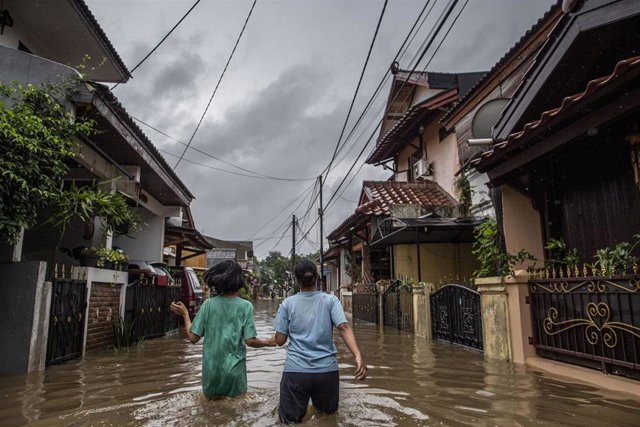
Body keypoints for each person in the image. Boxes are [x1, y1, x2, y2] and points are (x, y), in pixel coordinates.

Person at [274, 259, 367, 423]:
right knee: (328, 420)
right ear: (317, 277)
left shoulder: (287, 304)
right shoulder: (331, 300)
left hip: (295, 372)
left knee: (289, 423)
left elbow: (280, 340)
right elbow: (344, 327)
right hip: (327, 372)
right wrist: (358, 355)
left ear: (296, 280)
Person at [170, 260, 275, 399]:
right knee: (236, 413)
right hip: (234, 373)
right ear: (238, 281)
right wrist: (269, 342)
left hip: (211, 373)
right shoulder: (246, 306)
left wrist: (185, 314)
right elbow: (250, 341)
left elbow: (193, 338)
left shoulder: (208, 305)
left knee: (210, 414)